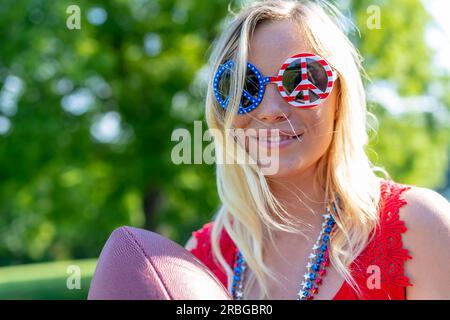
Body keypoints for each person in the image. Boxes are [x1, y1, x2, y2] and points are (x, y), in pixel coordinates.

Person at [185, 0, 450, 300]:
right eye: (244, 85)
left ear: (340, 96)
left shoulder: (419, 228)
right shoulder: (199, 261)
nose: (270, 110)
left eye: (302, 80)